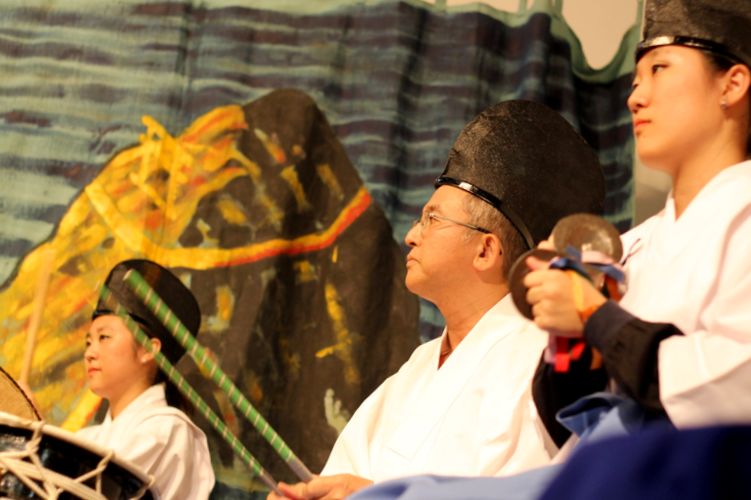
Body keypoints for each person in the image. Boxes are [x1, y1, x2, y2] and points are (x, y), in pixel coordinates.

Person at [347, 1, 751, 498]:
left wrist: (595, 317)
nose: (636, 97)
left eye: (659, 70)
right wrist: (567, 343)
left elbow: (733, 387)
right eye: (635, 79)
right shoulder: (632, 248)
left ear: (732, 84)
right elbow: (572, 421)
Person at [269, 99, 605, 499]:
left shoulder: (541, 363)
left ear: (485, 250)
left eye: (432, 219)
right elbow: (347, 478)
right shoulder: (418, 367)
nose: (411, 235)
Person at [78, 259, 215, 499]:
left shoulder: (166, 430)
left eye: (104, 337)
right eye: (88, 342)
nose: (90, 353)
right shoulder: (87, 440)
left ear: (149, 350)